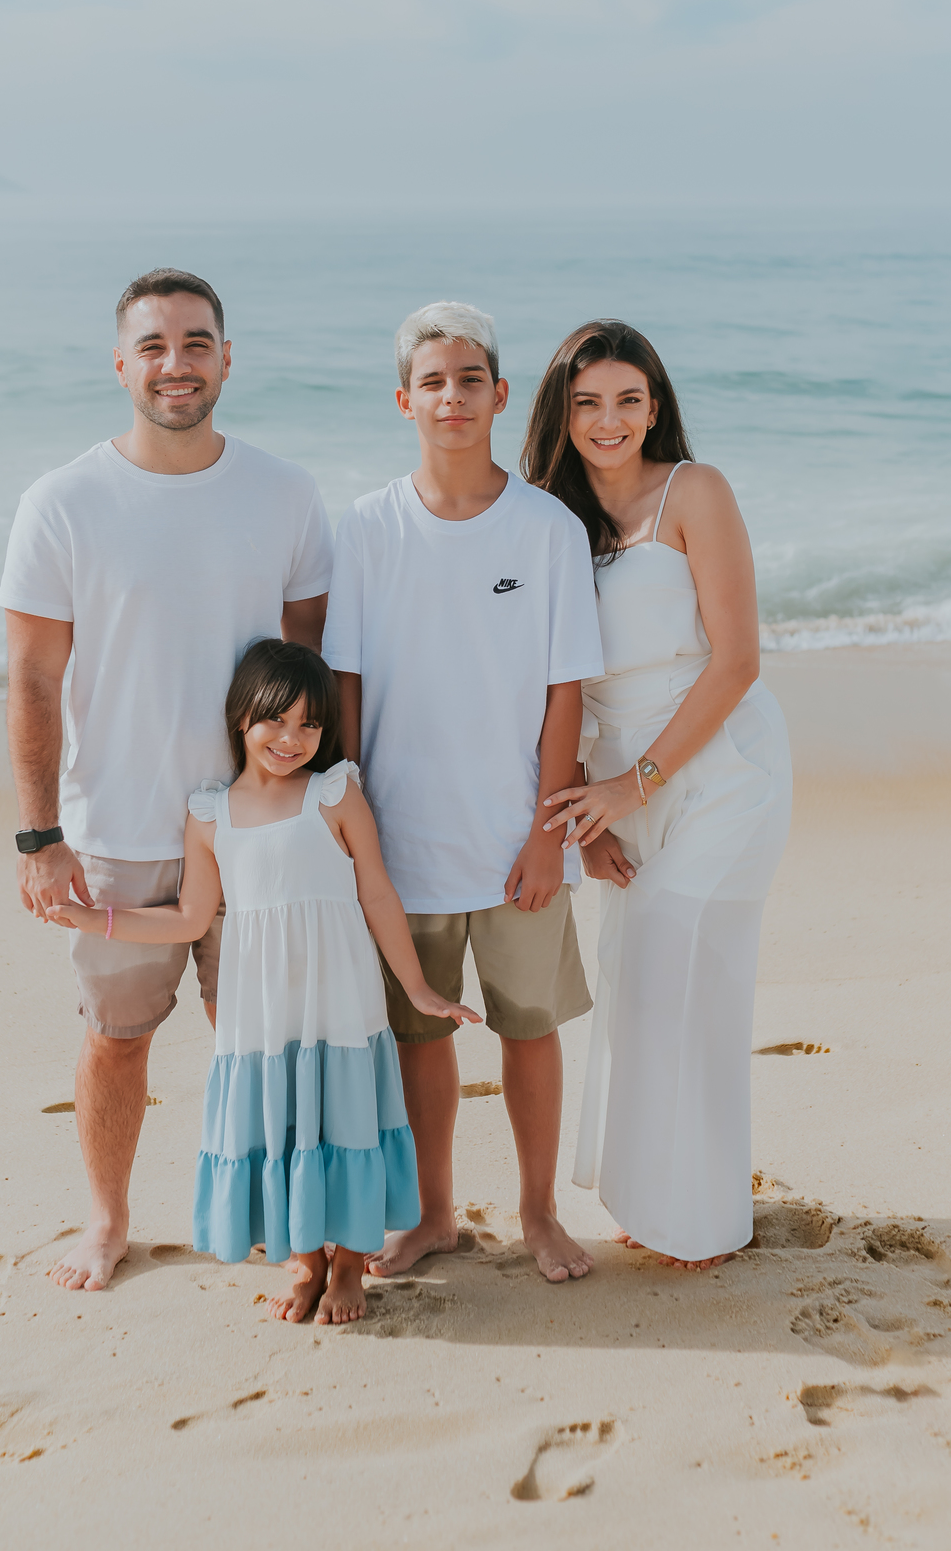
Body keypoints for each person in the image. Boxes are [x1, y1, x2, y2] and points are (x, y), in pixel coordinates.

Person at [0, 268, 334, 1293]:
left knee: (264, 1042)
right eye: (153, 345)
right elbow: (33, 678)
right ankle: (106, 1220)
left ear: (227, 359)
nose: (175, 363)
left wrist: (320, 813)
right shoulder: (62, 502)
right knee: (117, 1041)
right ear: (121, 365)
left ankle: (284, 1219)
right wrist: (39, 837)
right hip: (118, 831)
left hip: (255, 830)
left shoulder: (286, 493)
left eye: (195, 343)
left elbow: (312, 670)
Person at [48, 639, 478, 1323]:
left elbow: (377, 894)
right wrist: (93, 918)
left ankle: (348, 1269)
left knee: (346, 1123)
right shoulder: (210, 813)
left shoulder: (335, 793)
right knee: (283, 1127)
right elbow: (189, 919)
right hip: (263, 1011)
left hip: (340, 1002)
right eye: (276, 719)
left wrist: (419, 989)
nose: (291, 738)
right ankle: (307, 1263)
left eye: (309, 724)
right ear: (240, 716)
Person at [323, 301, 606, 1284]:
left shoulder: (548, 528)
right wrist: (356, 831)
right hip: (403, 842)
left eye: (470, 379)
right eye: (432, 381)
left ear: (499, 395)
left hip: (517, 838)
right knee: (420, 1033)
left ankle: (538, 1213)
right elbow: (347, 686)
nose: (452, 396)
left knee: (531, 1030)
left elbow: (566, 691)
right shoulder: (366, 527)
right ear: (405, 400)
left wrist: (546, 835)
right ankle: (435, 1214)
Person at [522, 320, 792, 1270]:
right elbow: (551, 684)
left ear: (655, 405)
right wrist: (587, 815)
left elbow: (739, 660)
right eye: (588, 402)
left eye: (629, 400)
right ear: (561, 412)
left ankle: (703, 1217)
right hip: (616, 782)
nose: (610, 420)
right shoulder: (546, 519)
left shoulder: (694, 490)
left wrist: (635, 786)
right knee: (639, 982)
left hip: (722, 767)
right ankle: (647, 1197)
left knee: (685, 965)